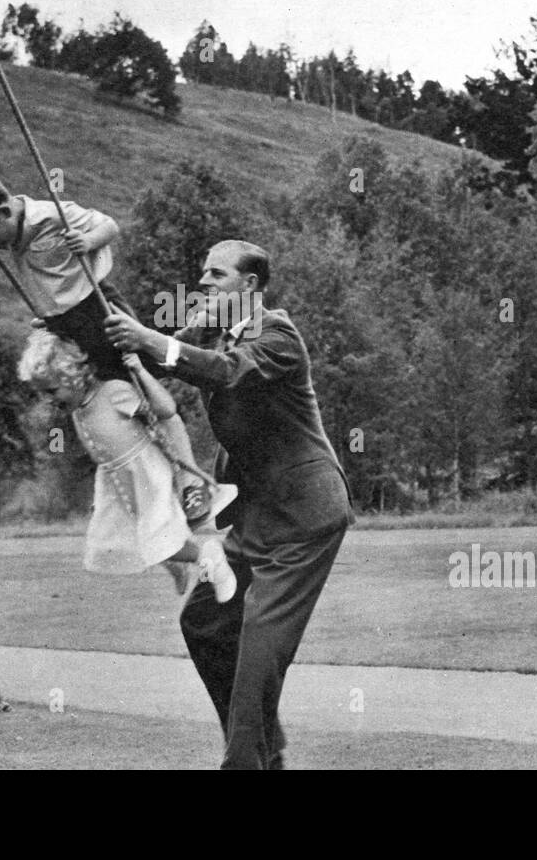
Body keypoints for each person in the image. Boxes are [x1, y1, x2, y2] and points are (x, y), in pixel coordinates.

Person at [104, 240, 354, 769]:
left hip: (305, 516)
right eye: (202, 273)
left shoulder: (277, 335)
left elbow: (222, 371)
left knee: (259, 651)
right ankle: (265, 748)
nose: (204, 283)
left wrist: (149, 337)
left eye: (217, 275)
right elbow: (153, 352)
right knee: (205, 620)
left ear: (251, 286)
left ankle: (246, 761)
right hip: (255, 514)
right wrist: (88, 297)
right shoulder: (211, 329)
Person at [18, 329, 238, 602]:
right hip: (120, 481)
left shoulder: (112, 393)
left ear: (73, 376)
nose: (49, 399)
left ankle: (209, 555)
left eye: (53, 390)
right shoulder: (78, 412)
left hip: (146, 473)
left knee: (157, 537)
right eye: (43, 393)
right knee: (120, 541)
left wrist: (141, 373)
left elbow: (165, 410)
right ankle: (177, 565)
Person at [0, 171, 136, 381]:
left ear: (4, 213)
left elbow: (109, 225)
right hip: (59, 319)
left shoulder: (51, 215)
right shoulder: (12, 231)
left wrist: (88, 240)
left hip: (93, 306)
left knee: (127, 363)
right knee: (85, 377)